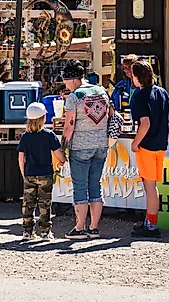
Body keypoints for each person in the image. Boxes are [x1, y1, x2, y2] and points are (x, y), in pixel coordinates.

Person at [61, 60, 115, 240]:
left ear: (72, 79)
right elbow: (110, 116)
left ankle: (79, 228)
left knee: (80, 187)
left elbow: (69, 126)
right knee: (95, 186)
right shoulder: (101, 91)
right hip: (101, 145)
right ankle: (94, 228)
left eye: (66, 81)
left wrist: (63, 147)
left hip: (81, 147)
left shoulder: (75, 96)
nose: (65, 85)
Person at [129, 60, 169, 238]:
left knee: (149, 186)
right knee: (153, 186)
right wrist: (167, 132)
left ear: (136, 77)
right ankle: (149, 221)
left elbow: (145, 123)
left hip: (147, 146)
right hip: (160, 145)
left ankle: (151, 225)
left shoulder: (138, 96)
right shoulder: (161, 92)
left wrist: (135, 143)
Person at [17, 102, 66, 241]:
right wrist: (63, 160)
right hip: (45, 173)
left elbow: (21, 157)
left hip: (29, 173)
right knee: (45, 204)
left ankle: (27, 231)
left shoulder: (25, 137)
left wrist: (23, 173)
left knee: (28, 203)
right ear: (44, 118)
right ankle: (45, 231)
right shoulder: (49, 135)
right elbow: (58, 154)